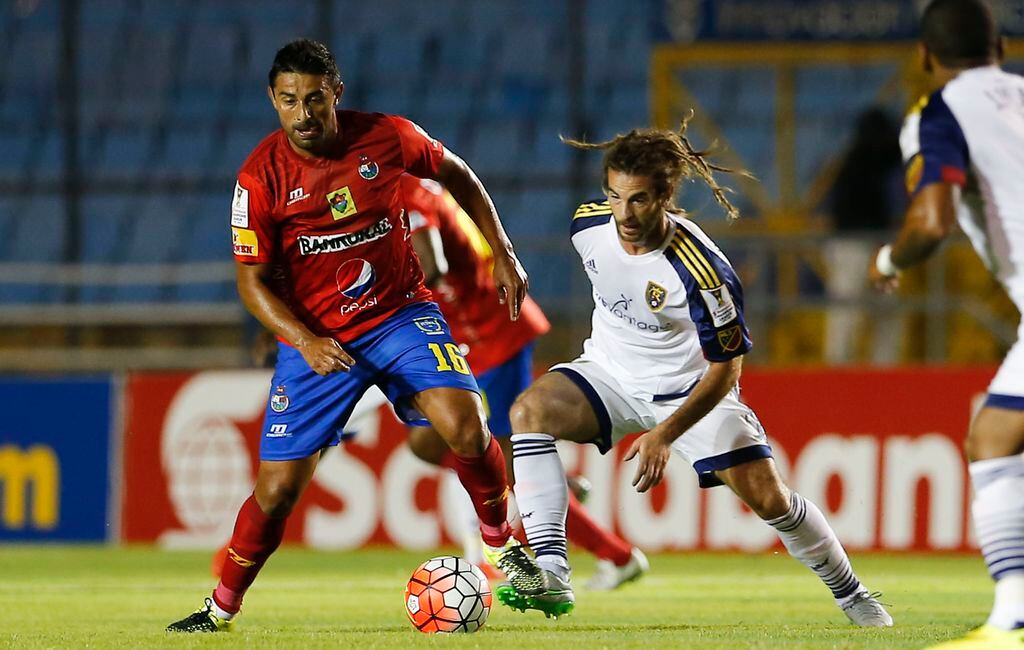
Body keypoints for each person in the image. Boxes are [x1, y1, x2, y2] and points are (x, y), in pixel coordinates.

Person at [167, 38, 545, 633]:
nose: (303, 114)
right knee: (278, 489)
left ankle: (502, 546)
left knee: (466, 424)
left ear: (335, 94)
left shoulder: (387, 136)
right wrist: (303, 339)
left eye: (314, 99)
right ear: (273, 99)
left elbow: (457, 173)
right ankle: (219, 608)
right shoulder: (259, 178)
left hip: (400, 314)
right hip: (319, 339)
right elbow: (252, 282)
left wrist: (503, 250)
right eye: (289, 101)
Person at [498, 119, 893, 626]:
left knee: (770, 499)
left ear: (665, 194)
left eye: (638, 199)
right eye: (615, 197)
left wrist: (665, 433)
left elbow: (727, 370)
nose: (625, 214)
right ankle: (552, 575)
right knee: (527, 412)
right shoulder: (587, 227)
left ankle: (853, 595)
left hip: (688, 391)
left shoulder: (702, 273)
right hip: (610, 373)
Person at [401, 174, 648, 589]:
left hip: (492, 335)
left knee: (513, 467)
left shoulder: (404, 194)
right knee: (425, 442)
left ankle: (618, 556)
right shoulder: (421, 187)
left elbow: (433, 266)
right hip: (474, 334)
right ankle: (549, 486)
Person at [868, 1, 1024, 647]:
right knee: (997, 435)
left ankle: (1013, 615)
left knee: (992, 441)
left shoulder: (940, 113)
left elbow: (930, 221)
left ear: (925, 57)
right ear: (1004, 47)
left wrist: (888, 258)